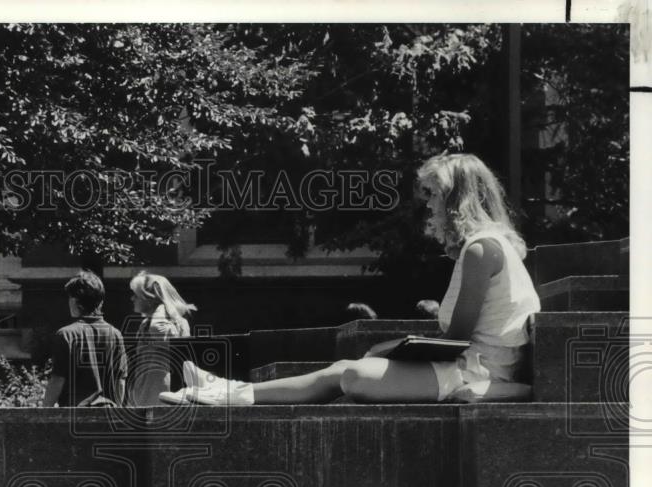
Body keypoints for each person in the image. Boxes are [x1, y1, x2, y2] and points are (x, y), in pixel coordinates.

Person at [161, 153, 541, 405]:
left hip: (473, 371)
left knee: (353, 373)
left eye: (434, 194)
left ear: (457, 198)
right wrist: (394, 349)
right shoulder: (492, 246)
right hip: (468, 365)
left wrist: (393, 350)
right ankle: (226, 390)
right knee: (349, 368)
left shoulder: (479, 250)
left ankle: (226, 392)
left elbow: (456, 340)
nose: (428, 204)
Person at [42, 270, 128, 407]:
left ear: (76, 301)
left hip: (73, 415)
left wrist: (44, 412)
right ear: (100, 302)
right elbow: (120, 380)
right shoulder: (115, 334)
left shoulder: (66, 334)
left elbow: (57, 379)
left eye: (69, 297)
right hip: (106, 416)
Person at [125, 271, 196, 406]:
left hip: (161, 392)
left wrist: (161, 304)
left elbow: (158, 329)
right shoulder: (147, 323)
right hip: (144, 390)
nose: (132, 298)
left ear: (150, 299)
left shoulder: (174, 323)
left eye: (136, 295)